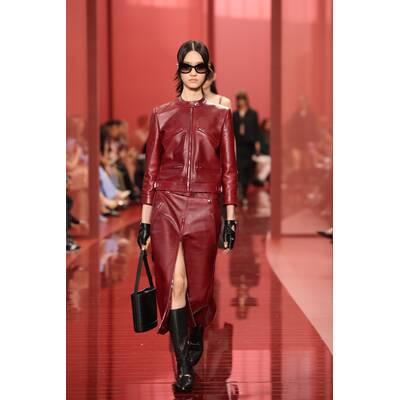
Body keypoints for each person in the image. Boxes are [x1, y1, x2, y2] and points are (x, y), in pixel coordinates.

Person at [136, 40, 238, 393]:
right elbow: (151, 170)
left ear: (208, 71)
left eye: (199, 67)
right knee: (175, 283)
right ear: (178, 71)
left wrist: (231, 217)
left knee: (199, 288)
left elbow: (229, 170)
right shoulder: (161, 114)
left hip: (204, 206)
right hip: (166, 205)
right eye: (186, 66)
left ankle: (195, 327)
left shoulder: (221, 115)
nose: (193, 73)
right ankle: (182, 366)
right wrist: (145, 219)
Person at [232, 91, 259, 207]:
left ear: (246, 100)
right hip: (239, 145)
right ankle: (241, 192)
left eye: (243, 99)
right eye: (239, 99)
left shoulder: (253, 114)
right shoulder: (234, 115)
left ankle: (244, 193)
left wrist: (257, 143)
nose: (241, 101)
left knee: (248, 169)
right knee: (239, 169)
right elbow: (232, 131)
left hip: (249, 145)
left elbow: (256, 130)